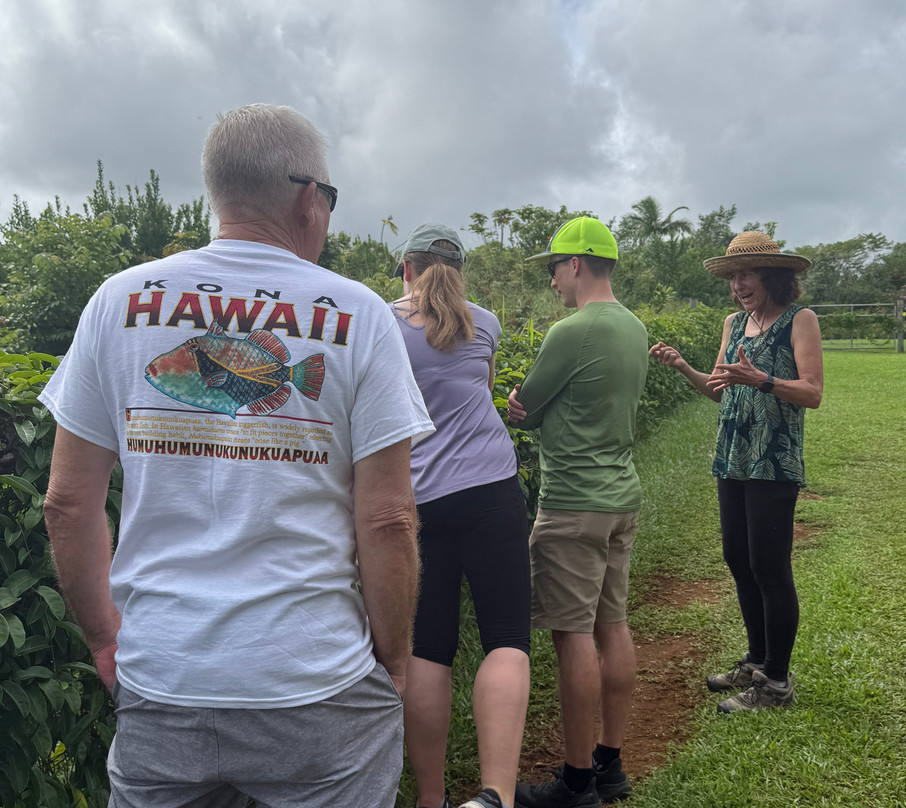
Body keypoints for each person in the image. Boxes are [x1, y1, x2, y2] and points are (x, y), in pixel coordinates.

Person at [41, 103, 435, 808]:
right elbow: (387, 519)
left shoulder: (116, 300)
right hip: (316, 679)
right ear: (310, 200)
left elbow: (67, 505)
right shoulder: (361, 313)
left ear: (218, 195)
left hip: (162, 674)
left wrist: (108, 643)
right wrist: (394, 661)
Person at [649, 230, 823, 713]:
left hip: (773, 458)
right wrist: (684, 366)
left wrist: (763, 379)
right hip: (734, 456)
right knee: (738, 559)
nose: (738, 285)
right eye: (732, 277)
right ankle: (757, 660)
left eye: (746, 275)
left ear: (772, 275)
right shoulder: (735, 322)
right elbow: (720, 388)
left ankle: (777, 683)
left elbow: (811, 391)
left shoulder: (799, 320)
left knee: (770, 566)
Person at [390, 223, 531, 808]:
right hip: (493, 489)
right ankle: (494, 794)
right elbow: (485, 389)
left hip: (418, 501)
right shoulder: (486, 323)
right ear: (460, 271)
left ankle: (431, 798)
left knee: (428, 646)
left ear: (406, 268)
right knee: (505, 639)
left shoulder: (380, 323)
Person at [508, 217, 648, 808]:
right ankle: (610, 764)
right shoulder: (634, 327)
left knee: (573, 640)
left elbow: (526, 407)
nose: (553, 282)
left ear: (575, 265)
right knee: (611, 625)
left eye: (553, 270)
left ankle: (574, 781)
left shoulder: (572, 330)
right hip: (620, 497)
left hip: (572, 504)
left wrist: (524, 408)